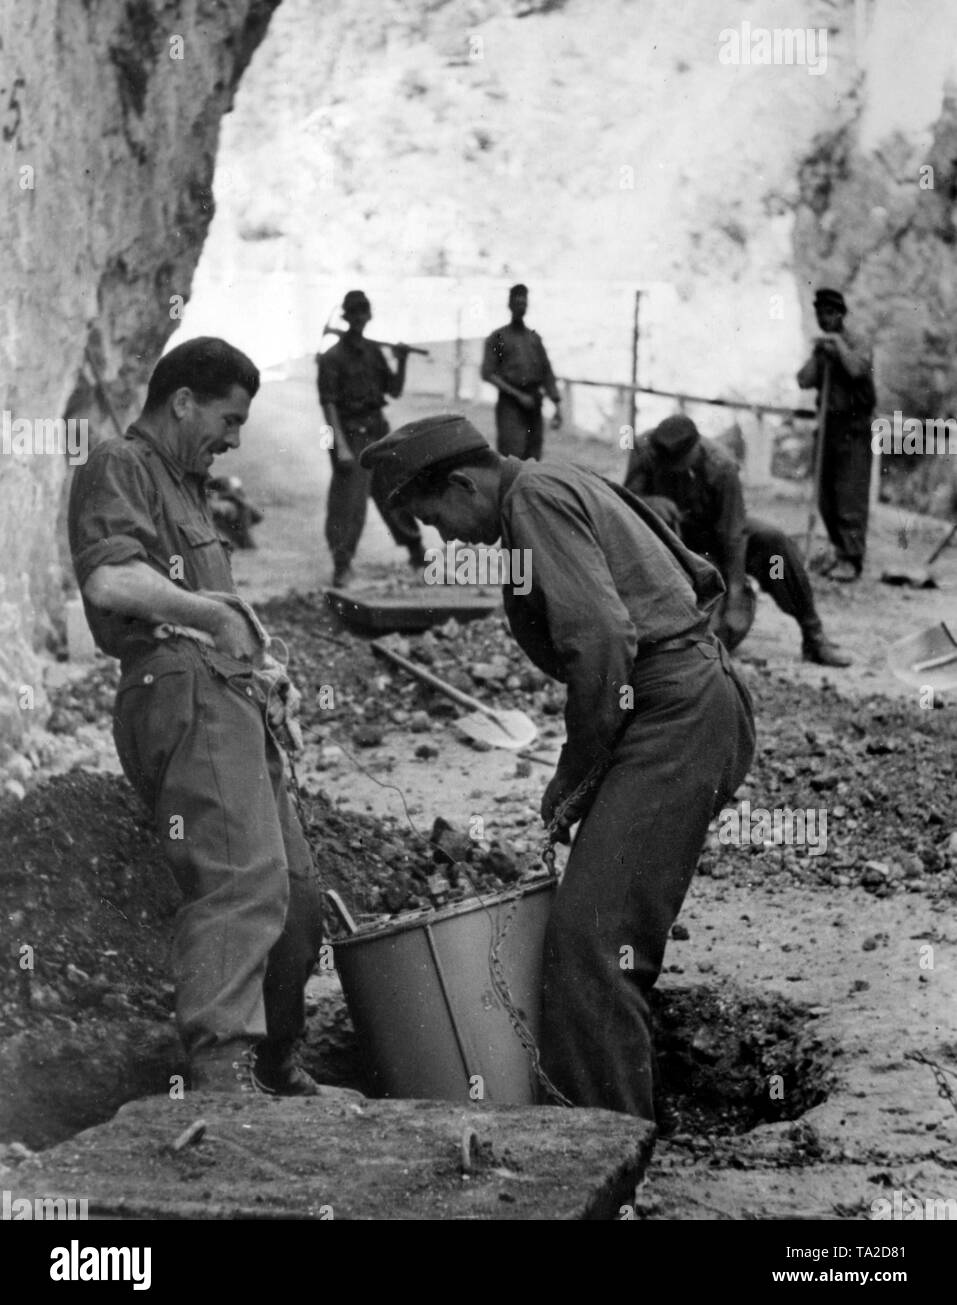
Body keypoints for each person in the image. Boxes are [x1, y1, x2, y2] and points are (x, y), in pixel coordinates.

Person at [360, 415, 755, 1120]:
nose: (444, 538)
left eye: (435, 518)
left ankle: (604, 1157)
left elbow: (601, 639)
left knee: (594, 948)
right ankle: (602, 1126)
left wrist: (573, 775)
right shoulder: (545, 486)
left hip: (674, 716)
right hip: (670, 709)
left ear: (461, 483)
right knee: (599, 934)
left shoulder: (532, 500)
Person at [68, 337, 325, 1095]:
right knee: (242, 880)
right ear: (183, 401)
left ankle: (279, 1065)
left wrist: (261, 663)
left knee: (298, 897)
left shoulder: (185, 483)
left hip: (232, 695)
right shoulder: (120, 463)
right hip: (179, 688)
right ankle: (222, 1068)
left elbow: (216, 611)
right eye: (229, 418)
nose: (235, 438)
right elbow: (112, 580)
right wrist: (212, 621)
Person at [624, 414, 851, 667]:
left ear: (695, 449)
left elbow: (733, 535)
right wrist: (648, 502)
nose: (670, 467)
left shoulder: (721, 467)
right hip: (665, 544)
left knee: (772, 542)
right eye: (666, 463)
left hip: (714, 541)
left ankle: (814, 636)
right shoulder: (645, 449)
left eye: (677, 463)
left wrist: (734, 599)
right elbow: (622, 504)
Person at [317, 289, 426, 586]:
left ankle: (418, 554)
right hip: (350, 437)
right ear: (347, 317)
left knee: (395, 493)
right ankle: (342, 565)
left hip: (379, 433)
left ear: (369, 316)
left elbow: (394, 390)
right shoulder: (331, 358)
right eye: (354, 313)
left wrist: (401, 360)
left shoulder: (374, 352)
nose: (360, 318)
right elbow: (328, 407)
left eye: (364, 312)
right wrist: (338, 447)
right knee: (348, 503)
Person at [797, 287, 876, 582]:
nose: (824, 319)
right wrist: (819, 354)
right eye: (820, 314)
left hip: (854, 428)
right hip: (829, 426)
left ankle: (852, 559)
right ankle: (837, 550)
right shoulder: (824, 348)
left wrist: (838, 345)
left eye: (829, 314)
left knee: (849, 494)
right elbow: (803, 380)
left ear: (841, 314)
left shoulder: (858, 341)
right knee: (826, 496)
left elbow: (857, 370)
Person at [481, 283, 562, 460]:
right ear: (509, 305)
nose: (521, 307)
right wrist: (518, 396)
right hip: (510, 404)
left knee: (533, 458)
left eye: (524, 303)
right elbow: (488, 373)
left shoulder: (534, 338)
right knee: (511, 456)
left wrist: (556, 404)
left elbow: (547, 372)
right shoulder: (498, 337)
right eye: (517, 303)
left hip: (534, 403)